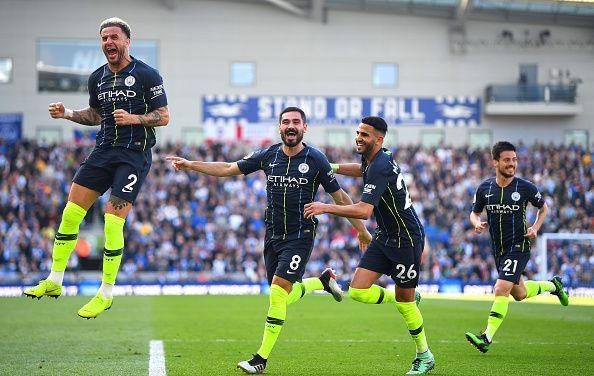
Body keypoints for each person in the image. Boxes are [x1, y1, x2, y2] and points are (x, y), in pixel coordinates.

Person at [167, 106, 372, 374]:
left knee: (277, 291)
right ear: (279, 127)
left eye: (296, 122)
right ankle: (321, 281)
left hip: (300, 235)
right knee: (283, 297)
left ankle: (260, 359)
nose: (291, 126)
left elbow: (340, 197)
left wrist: (361, 230)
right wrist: (192, 164)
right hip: (272, 235)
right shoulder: (269, 155)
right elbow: (229, 168)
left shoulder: (316, 159)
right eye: (286, 122)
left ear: (304, 128)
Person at [23, 17, 169, 319]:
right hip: (103, 151)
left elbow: (164, 116)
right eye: (104, 38)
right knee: (70, 213)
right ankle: (55, 280)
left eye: (114, 37)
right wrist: (67, 114)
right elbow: (94, 114)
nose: (108, 43)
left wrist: (135, 119)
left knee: (112, 223)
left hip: (133, 154)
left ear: (127, 41)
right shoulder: (98, 78)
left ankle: (105, 293)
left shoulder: (146, 74)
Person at [304, 116, 434, 375]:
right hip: (385, 235)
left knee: (405, 304)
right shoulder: (375, 157)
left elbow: (363, 211)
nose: (358, 138)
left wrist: (324, 207)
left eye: (364, 134)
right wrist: (332, 167)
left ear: (379, 138)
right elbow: (360, 169)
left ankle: (424, 355)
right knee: (359, 291)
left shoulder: (381, 165)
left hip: (406, 239)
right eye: (358, 133)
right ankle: (406, 296)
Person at [464, 141, 569, 353]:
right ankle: (553, 286)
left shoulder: (525, 187)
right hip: (499, 249)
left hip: (518, 245)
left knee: (500, 289)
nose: (512, 164)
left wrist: (536, 227)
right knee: (519, 293)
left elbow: (544, 208)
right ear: (495, 162)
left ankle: (487, 337)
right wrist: (476, 223)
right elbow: (474, 212)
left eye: (514, 160)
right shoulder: (485, 188)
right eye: (507, 160)